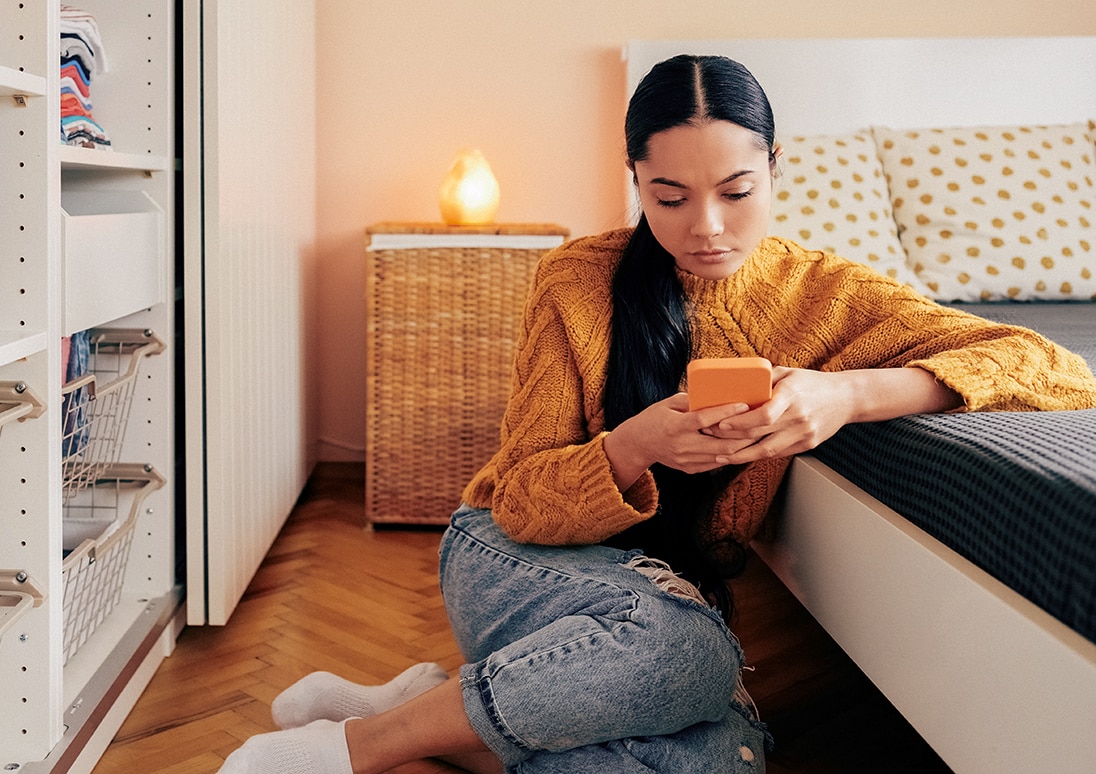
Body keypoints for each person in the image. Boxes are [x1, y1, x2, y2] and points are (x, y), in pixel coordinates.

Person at [217, 55, 1096, 773]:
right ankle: (360, 747)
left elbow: (1052, 365)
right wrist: (636, 444)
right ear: (635, 178)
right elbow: (520, 497)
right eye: (669, 197)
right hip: (514, 555)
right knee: (690, 654)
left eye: (737, 190)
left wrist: (845, 394)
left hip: (667, 589)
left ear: (779, 171)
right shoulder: (580, 279)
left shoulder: (827, 296)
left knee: (725, 761)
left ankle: (443, 708)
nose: (706, 226)